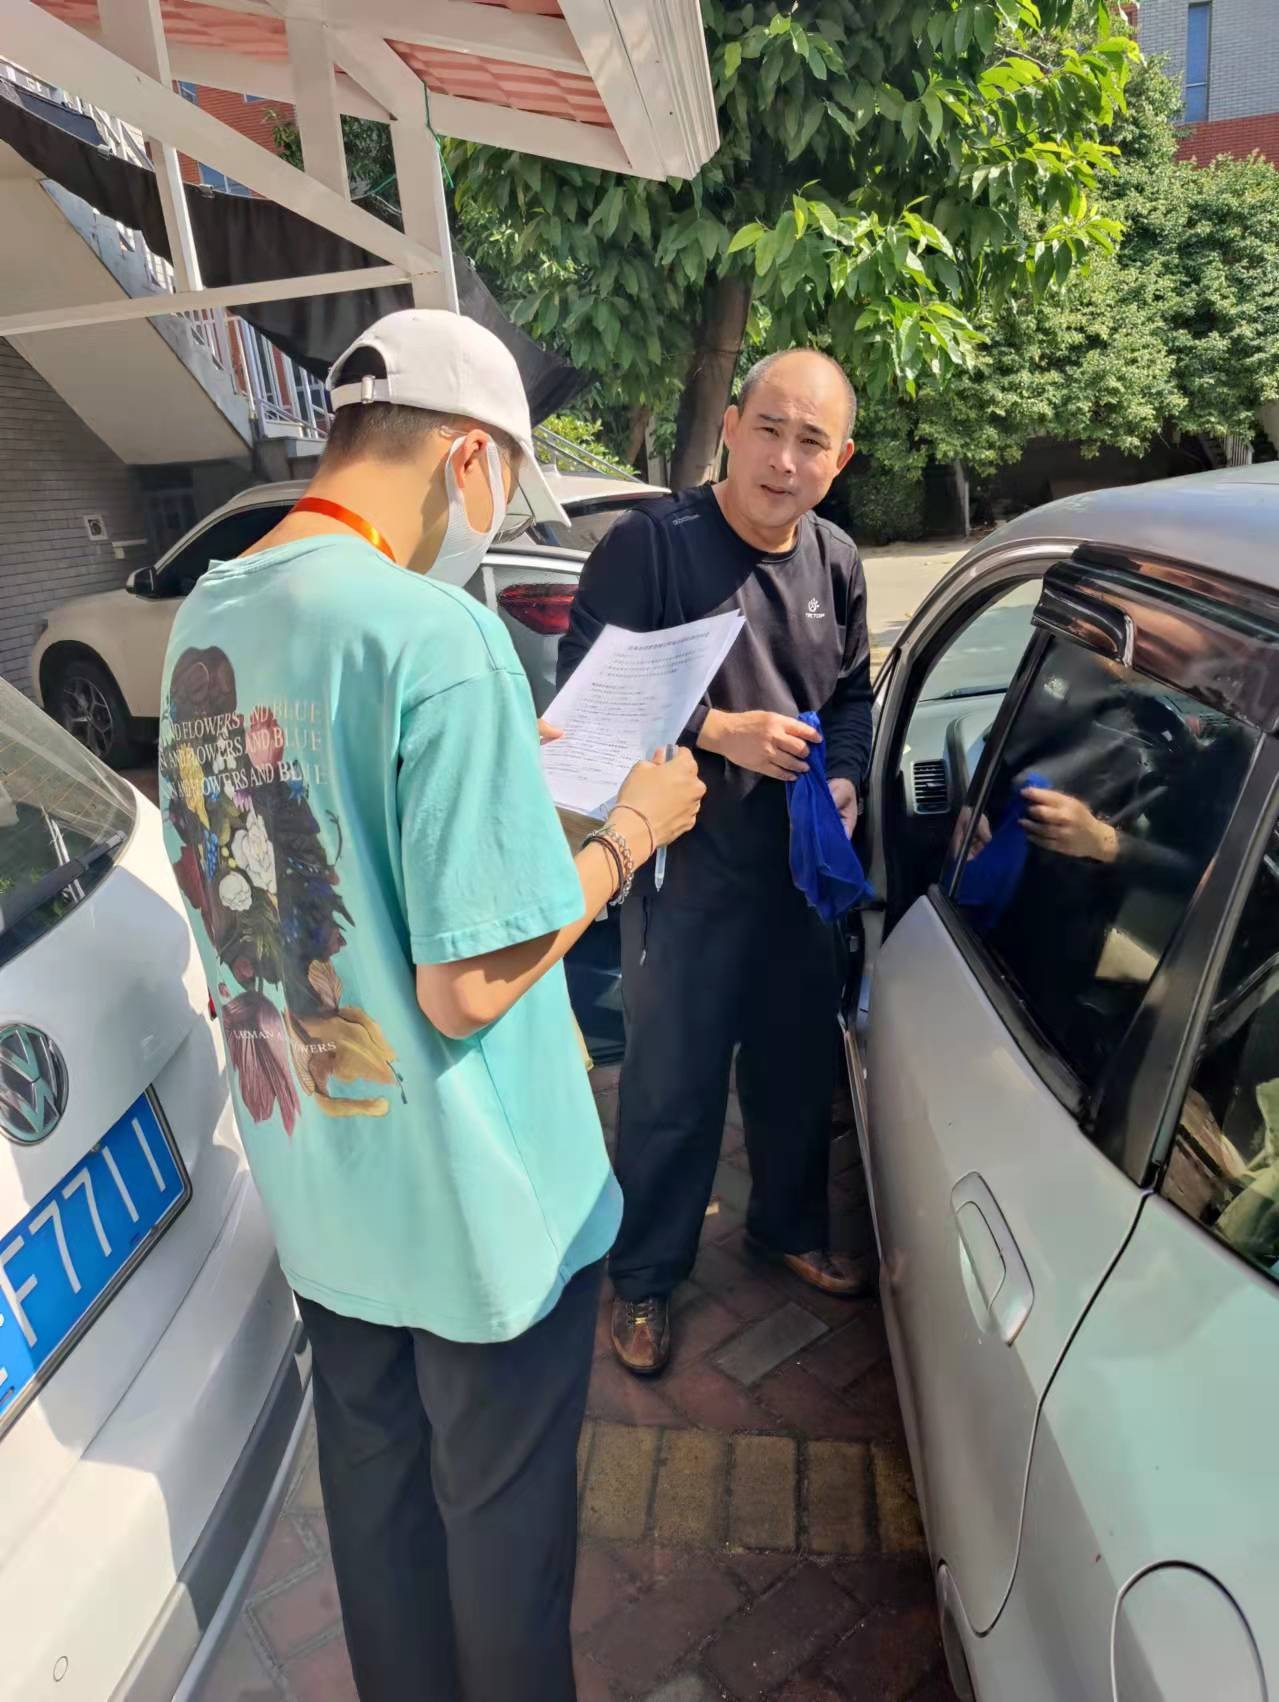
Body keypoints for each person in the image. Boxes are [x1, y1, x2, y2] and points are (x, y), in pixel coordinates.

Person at [156, 309, 704, 1702]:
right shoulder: (436, 634)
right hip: (475, 1216)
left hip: (329, 1196)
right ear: (466, 458)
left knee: (381, 1527)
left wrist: (493, 765)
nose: (490, 517)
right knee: (504, 1559)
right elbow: (468, 983)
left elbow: (284, 847)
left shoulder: (208, 615)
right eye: (501, 484)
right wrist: (629, 831)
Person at [558, 348, 874, 1378]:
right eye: (769, 429)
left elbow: (852, 700)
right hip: (682, 871)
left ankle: (786, 1228)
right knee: (671, 1084)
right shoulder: (651, 547)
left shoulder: (835, 560)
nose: (784, 459)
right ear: (731, 426)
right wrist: (717, 730)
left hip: (797, 872)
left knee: (795, 1067)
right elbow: (585, 696)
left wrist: (847, 781)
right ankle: (645, 1277)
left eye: (811, 442)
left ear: (839, 460)